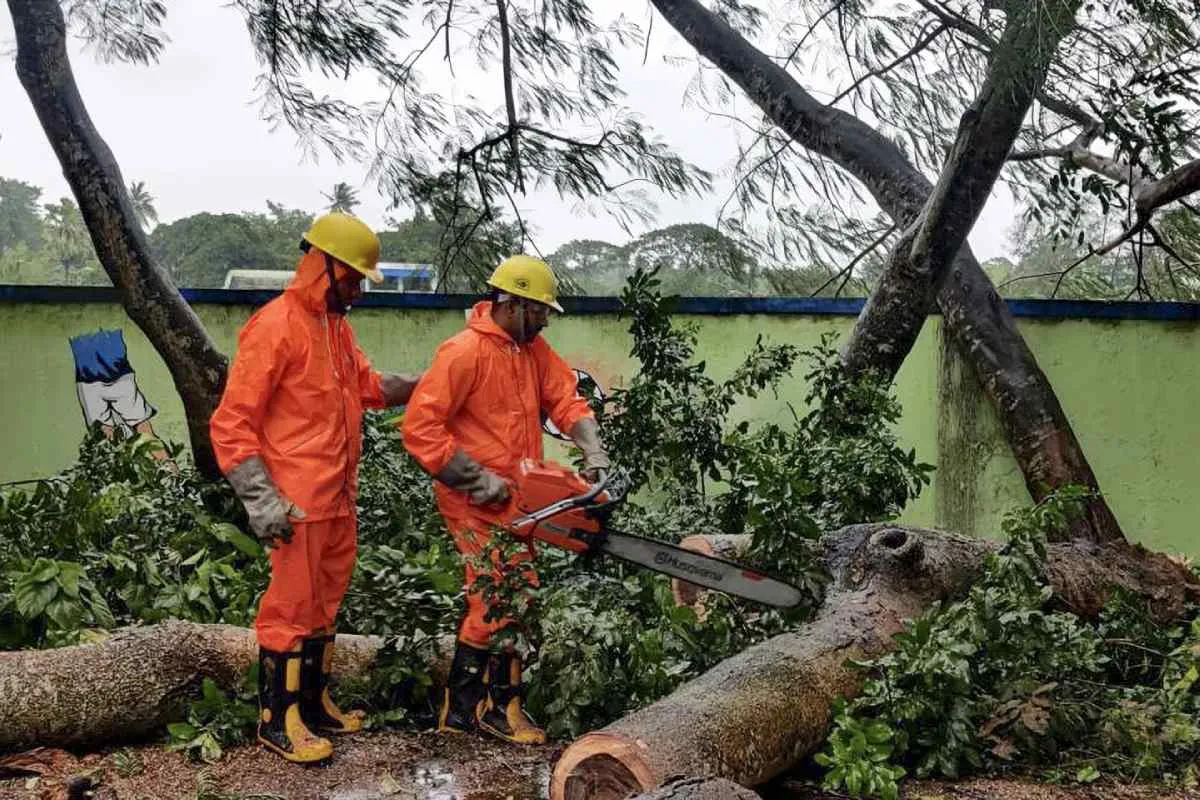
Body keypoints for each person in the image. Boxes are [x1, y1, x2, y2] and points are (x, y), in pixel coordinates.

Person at [210, 212, 420, 763]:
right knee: (289, 609)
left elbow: (368, 386)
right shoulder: (275, 325)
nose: (358, 291)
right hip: (296, 502)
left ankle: (314, 704)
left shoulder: (336, 328)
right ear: (322, 265)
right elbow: (232, 423)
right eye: (352, 279)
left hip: (337, 499)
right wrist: (260, 499)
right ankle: (277, 720)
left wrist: (428, 385)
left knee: (323, 608)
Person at [401, 254, 610, 745]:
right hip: (474, 496)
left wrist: (592, 448)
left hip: (520, 494)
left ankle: (502, 704)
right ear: (512, 303)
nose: (543, 320)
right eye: (538, 311)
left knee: (518, 589)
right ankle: (468, 710)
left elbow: (566, 398)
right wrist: (475, 479)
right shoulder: (463, 353)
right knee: (496, 594)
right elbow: (420, 428)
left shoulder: (531, 352)